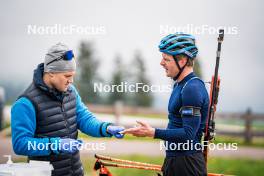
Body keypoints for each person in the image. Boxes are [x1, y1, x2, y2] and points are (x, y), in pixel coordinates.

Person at [11, 43, 125, 176]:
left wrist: (106, 128)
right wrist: (56, 145)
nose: (71, 81)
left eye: (72, 75)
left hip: (75, 172)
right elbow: (20, 144)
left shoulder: (71, 91)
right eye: (67, 76)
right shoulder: (25, 103)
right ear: (51, 72)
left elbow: (85, 119)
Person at [124, 33, 209, 176]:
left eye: (166, 59)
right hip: (176, 160)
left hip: (187, 164)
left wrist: (152, 132)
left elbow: (188, 134)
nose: (161, 63)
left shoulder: (192, 88)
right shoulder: (180, 85)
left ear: (182, 61)